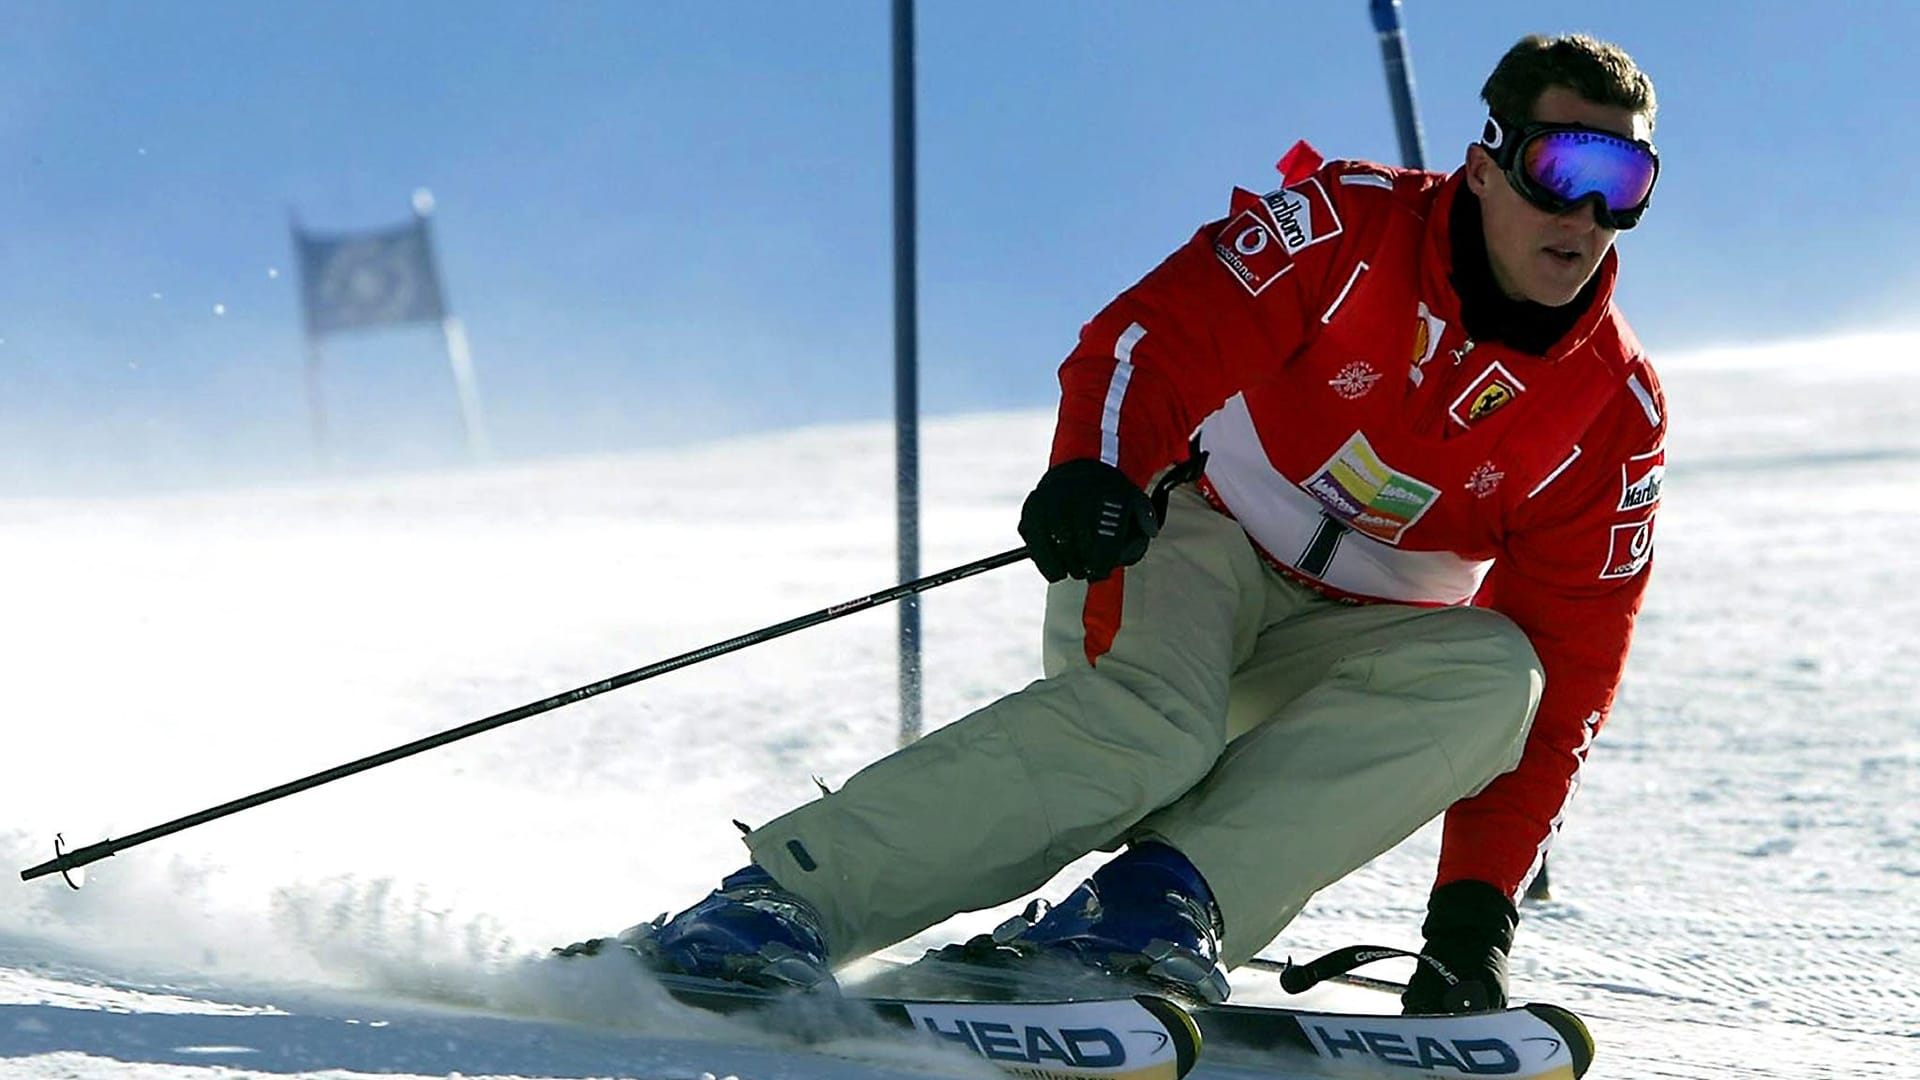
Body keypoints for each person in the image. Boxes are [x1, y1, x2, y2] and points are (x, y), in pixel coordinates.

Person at [585, 33, 1665, 1015]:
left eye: (1624, 183)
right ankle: (777, 905)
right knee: (1154, 730)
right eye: (1563, 171)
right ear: (1486, 165)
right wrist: (1094, 471)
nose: (1586, 216)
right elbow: (1155, 338)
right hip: (1200, 533)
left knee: (1498, 679)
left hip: (1355, 640)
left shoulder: (1611, 415)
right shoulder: (1348, 228)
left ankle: (1146, 915)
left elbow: (1569, 673)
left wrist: (1474, 917)